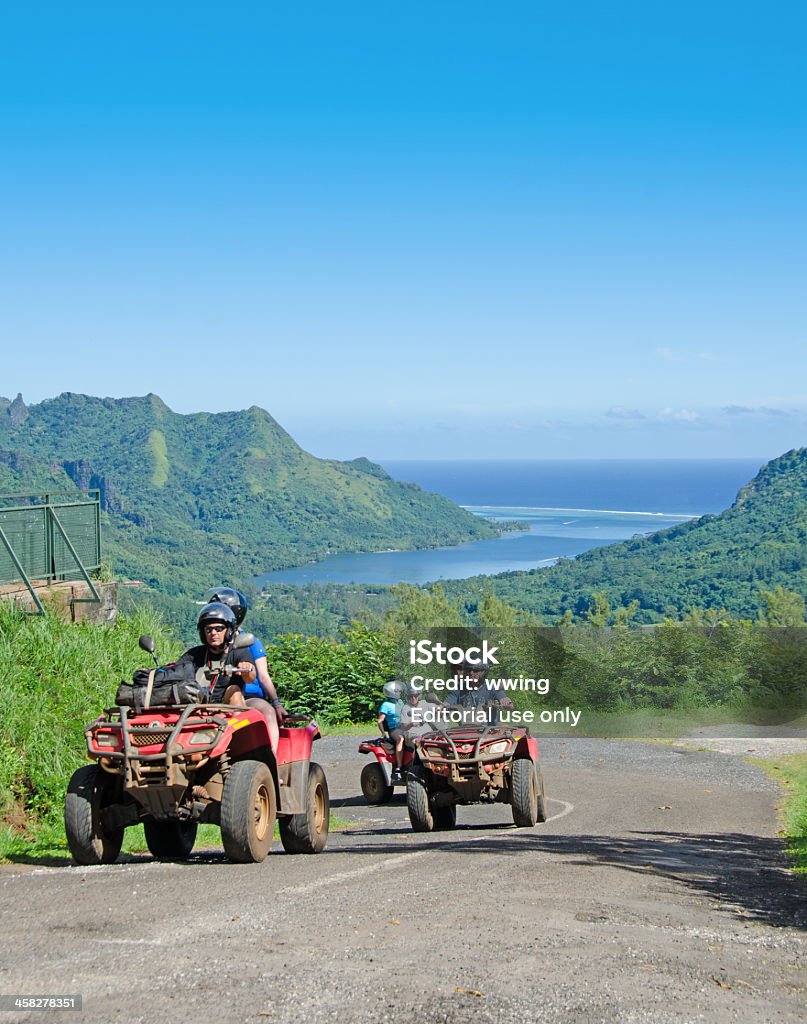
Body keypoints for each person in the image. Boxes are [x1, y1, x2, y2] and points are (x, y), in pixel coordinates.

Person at [203, 587, 286, 749]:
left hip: (248, 696)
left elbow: (262, 675)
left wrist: (276, 703)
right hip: (219, 695)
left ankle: (271, 762)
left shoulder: (249, 641)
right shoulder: (212, 642)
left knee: (267, 712)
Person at [171, 602, 258, 705]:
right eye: (208, 629)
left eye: (219, 629)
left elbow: (250, 678)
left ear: (229, 631)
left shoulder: (238, 652)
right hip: (197, 705)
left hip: (227, 706)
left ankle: (236, 720)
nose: (213, 633)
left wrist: (246, 670)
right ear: (203, 634)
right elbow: (175, 672)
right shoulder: (194, 654)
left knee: (234, 690)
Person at [442, 657, 513, 725]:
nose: (471, 673)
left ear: (484, 672)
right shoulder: (458, 689)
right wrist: (441, 707)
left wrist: (506, 703)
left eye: (475, 670)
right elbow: (448, 702)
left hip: (490, 730)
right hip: (466, 730)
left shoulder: (492, 686)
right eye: (469, 670)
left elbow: (505, 701)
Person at [377, 680, 406, 781]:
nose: (400, 693)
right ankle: (399, 767)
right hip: (394, 729)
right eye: (398, 691)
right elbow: (380, 721)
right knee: (401, 738)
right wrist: (383, 733)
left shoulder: (401, 702)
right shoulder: (386, 705)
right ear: (392, 692)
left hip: (405, 726)